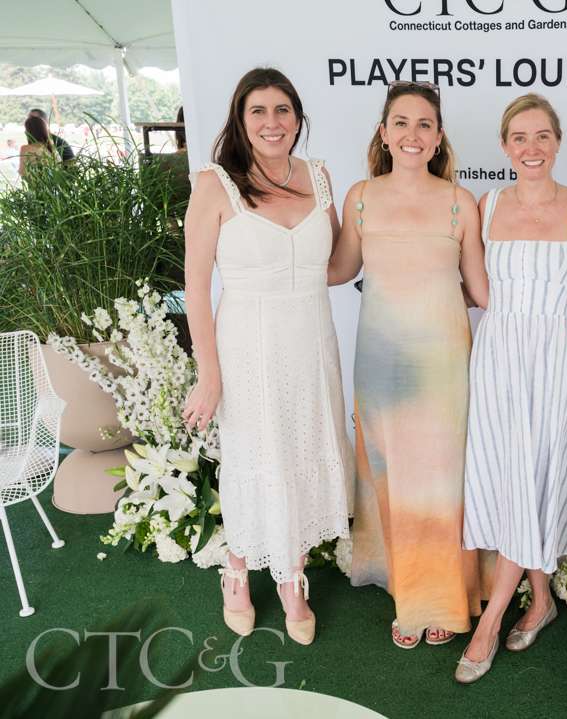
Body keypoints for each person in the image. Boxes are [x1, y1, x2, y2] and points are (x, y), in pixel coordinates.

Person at [182, 67, 354, 647]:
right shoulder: (215, 184)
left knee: (302, 449)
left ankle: (291, 577)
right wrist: (209, 374)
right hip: (247, 348)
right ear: (240, 119)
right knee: (257, 457)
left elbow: (335, 266)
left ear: (298, 118)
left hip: (312, 343)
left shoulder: (321, 176)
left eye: (283, 110)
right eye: (259, 111)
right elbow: (196, 284)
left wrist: (395, 244)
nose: (272, 122)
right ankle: (238, 568)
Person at [454, 93, 567, 684]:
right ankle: (539, 601)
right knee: (507, 476)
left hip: (551, 360)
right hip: (496, 357)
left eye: (542, 136)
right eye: (520, 137)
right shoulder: (484, 205)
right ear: (503, 146)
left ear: (558, 141)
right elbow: (476, 289)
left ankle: (490, 621)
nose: (531, 148)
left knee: (536, 476)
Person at [329, 81, 488, 649]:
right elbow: (338, 268)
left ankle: (443, 598)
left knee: (440, 483)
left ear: (439, 136)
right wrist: (282, 230)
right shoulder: (359, 197)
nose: (412, 134)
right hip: (379, 365)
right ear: (384, 132)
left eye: (424, 124)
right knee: (392, 477)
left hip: (444, 365)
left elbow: (482, 290)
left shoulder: (459, 201)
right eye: (401, 122)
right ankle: (407, 591)